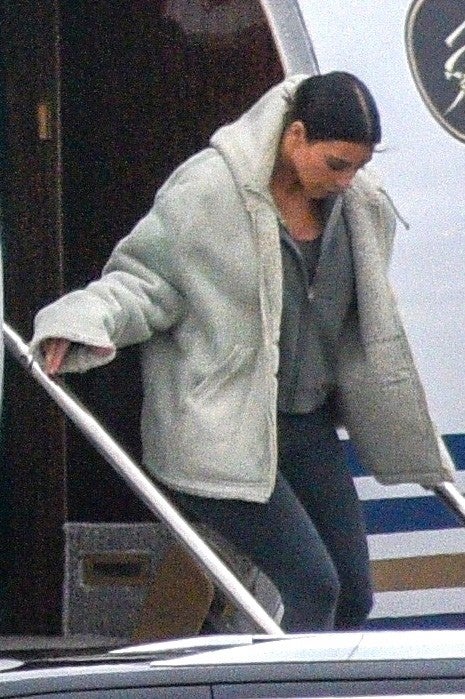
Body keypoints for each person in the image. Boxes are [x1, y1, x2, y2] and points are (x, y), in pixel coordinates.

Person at [31, 71, 455, 633]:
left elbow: (366, 321)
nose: (347, 180)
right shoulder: (208, 191)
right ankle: (291, 679)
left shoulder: (361, 206)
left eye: (359, 166)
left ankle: (323, 678)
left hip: (304, 425)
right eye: (336, 165)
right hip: (221, 429)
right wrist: (78, 321)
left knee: (354, 593)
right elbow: (143, 283)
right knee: (314, 587)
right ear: (295, 136)